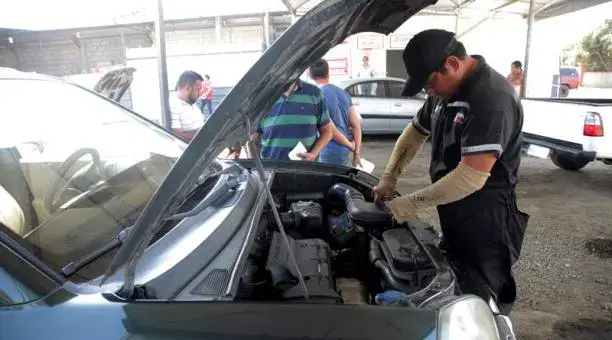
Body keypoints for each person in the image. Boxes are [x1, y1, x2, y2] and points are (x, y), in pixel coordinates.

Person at [372, 29, 529, 315]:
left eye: (431, 82)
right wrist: (389, 178)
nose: (428, 91)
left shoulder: (490, 98)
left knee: (484, 296)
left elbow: (471, 177)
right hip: (454, 206)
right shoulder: (443, 92)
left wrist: (406, 205)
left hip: (487, 219)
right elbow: (414, 133)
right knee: (454, 282)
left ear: (453, 64)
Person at [250, 78, 333, 161]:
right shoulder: (262, 97)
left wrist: (314, 153)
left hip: (306, 168)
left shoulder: (314, 93)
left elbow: (327, 131)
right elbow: (252, 138)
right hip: (271, 169)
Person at [309, 59, 362, 167]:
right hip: (343, 151)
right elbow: (356, 126)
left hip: (325, 150)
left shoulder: (316, 95)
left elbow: (331, 131)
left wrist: (350, 146)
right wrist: (356, 153)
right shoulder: (343, 93)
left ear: (311, 75)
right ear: (328, 73)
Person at [170, 70, 205, 141]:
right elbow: (177, 135)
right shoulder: (174, 105)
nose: (199, 93)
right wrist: (205, 134)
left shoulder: (191, 102)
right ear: (188, 89)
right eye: (197, 90)